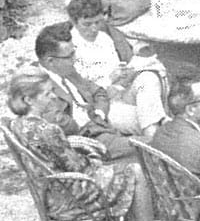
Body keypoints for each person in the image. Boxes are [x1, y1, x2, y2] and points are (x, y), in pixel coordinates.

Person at [6, 71, 166, 221]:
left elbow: (60, 157)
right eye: (47, 94)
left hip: (53, 192)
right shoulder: (47, 130)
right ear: (28, 99)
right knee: (135, 171)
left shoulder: (19, 124)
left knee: (128, 173)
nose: (54, 97)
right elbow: (80, 168)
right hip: (71, 196)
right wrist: (94, 155)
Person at [34, 23, 149, 160]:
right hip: (89, 139)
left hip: (100, 118)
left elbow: (99, 92)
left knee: (151, 120)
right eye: (69, 56)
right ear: (50, 61)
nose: (75, 59)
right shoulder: (38, 87)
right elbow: (64, 127)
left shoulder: (65, 69)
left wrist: (99, 114)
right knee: (151, 145)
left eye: (74, 51)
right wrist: (94, 121)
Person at [63, 0, 169, 137]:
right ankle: (156, 139)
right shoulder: (68, 48)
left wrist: (125, 73)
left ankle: (155, 137)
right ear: (74, 22)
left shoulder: (104, 39)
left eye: (98, 22)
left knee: (148, 78)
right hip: (101, 105)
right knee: (150, 119)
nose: (94, 28)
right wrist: (109, 80)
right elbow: (80, 90)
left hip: (119, 92)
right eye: (87, 24)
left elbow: (117, 71)